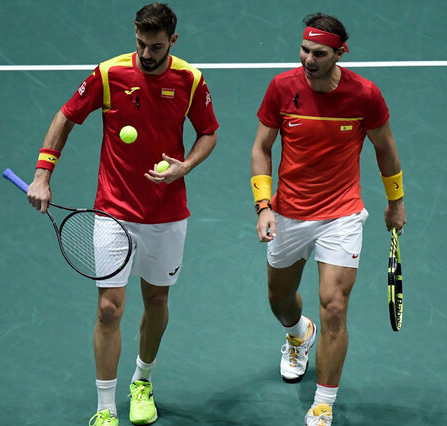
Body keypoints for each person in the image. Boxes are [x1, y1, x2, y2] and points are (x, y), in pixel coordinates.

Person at [26, 3, 218, 425]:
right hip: (113, 212)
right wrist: (42, 174)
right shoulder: (109, 74)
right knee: (109, 309)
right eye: (140, 44)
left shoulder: (189, 80)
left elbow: (209, 131)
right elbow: (66, 116)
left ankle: (143, 380)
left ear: (173, 41)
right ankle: (105, 408)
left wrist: (186, 166)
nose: (147, 55)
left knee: (156, 299)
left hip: (167, 214)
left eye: (156, 46)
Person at [250, 12, 406, 426]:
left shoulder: (364, 95)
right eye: (304, 50)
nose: (308, 60)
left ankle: (322, 403)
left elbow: (385, 147)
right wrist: (263, 206)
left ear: (340, 53)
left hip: (341, 214)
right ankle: (299, 332)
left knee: (334, 307)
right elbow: (261, 148)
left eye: (319, 53)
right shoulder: (282, 88)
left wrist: (396, 202)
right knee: (279, 300)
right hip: (289, 212)